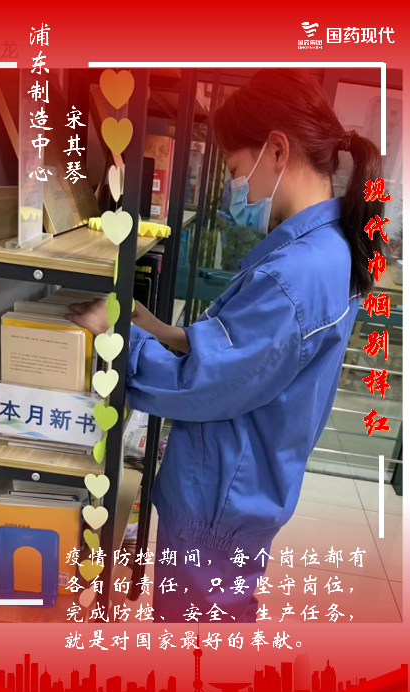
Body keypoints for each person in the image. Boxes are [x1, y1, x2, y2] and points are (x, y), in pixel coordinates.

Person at [67, 68, 385, 623]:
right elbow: (256, 354)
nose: (238, 190)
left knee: (198, 625)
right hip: (247, 485)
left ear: (277, 150)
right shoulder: (327, 251)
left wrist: (116, 338)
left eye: (236, 171)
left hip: (220, 497)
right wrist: (161, 329)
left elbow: (205, 385)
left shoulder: (293, 276)